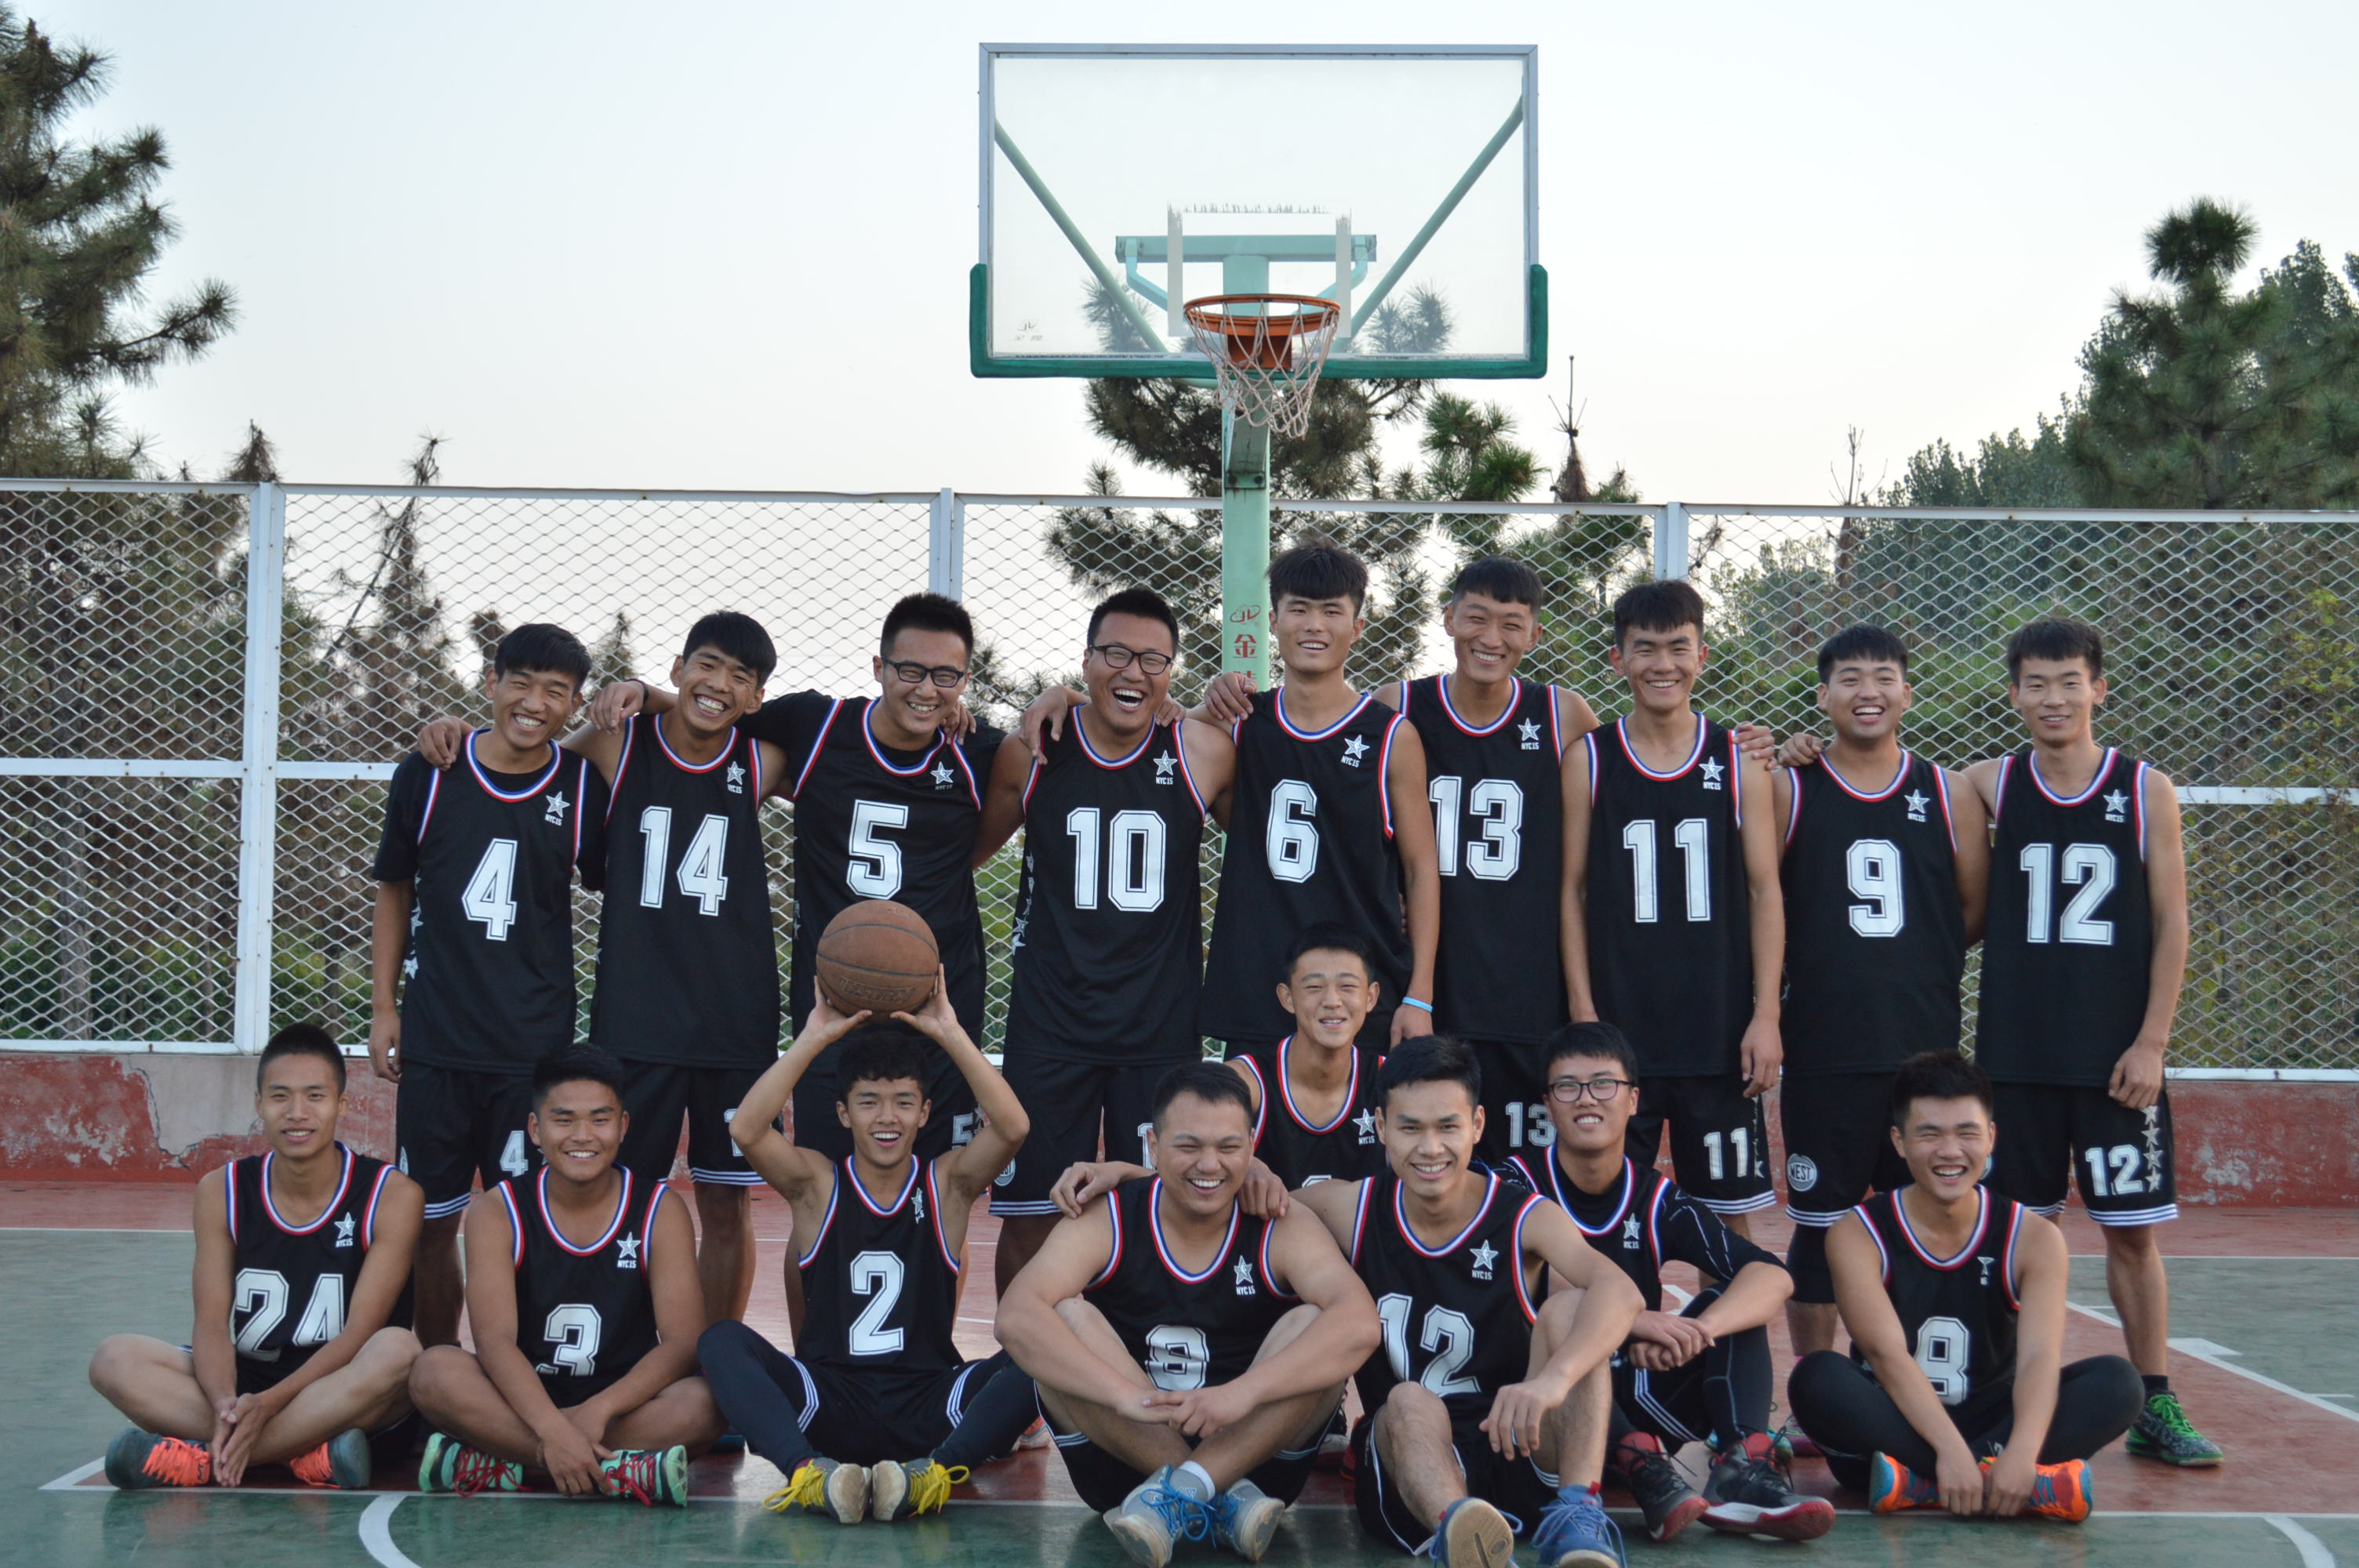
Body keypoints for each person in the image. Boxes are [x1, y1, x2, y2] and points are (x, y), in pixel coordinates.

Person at [416, 613, 789, 1329]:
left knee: (725, 1201)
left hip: (734, 1022)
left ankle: (717, 1357)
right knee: (625, 1199)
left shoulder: (762, 759)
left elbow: (848, 745)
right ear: (678, 666)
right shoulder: (618, 744)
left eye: (740, 678)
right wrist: (456, 732)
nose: (719, 685)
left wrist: (653, 692)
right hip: (636, 1019)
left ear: (756, 696)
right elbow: (525, 757)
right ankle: (621, 1348)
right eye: (706, 666)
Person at [596, 592, 1003, 1164]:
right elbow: (718, 708)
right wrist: (648, 694)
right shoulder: (817, 724)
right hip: (832, 1004)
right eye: (911, 670)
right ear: (879, 667)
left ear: (965, 680)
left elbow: (1078, 741)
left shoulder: (980, 751)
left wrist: (1063, 695)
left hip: (940, 1006)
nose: (926, 689)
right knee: (823, 1190)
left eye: (945, 676)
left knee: (943, 1188)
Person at [1965, 615, 2219, 1465]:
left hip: (2114, 1061)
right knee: (2012, 1234)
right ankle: (1997, 1396)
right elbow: (1885, 776)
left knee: (2131, 1232)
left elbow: (2172, 921)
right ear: (2012, 694)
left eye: (2068, 681)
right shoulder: (1990, 784)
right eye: (2034, 683)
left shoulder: (2144, 788)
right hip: (2015, 1059)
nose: (2052, 698)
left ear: (2098, 689)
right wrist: (1804, 752)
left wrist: (2152, 1042)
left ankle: (2154, 1397)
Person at [1035, 539, 1439, 1057]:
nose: (1314, 625)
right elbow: (1142, 723)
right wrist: (1065, 696)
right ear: (1273, 620)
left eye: (1331, 611)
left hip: (1360, 988)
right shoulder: (1238, 722)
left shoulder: (1391, 737)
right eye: (1299, 609)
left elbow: (1421, 870)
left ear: (1358, 627)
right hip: (1260, 984)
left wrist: (1420, 996)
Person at [997, 1062, 1382, 1568]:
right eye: (1189, 1146)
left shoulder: (1279, 1221)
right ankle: (1221, 1497)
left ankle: (1187, 1490)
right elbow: (1016, 1316)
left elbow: (1360, 1324)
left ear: (1252, 1146)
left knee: (1316, 1324)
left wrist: (1242, 1394)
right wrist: (1124, 1396)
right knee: (1065, 1316)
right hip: (1126, 1460)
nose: (1210, 1164)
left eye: (1228, 1147)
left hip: (1257, 1458)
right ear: (1153, 1146)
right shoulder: (1109, 1214)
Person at [696, 986, 1041, 1524]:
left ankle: (934, 1474)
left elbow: (1014, 1127)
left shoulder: (947, 1185)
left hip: (931, 1403)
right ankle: (809, 1473)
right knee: (720, 1339)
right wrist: (813, 1038)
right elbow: (746, 1129)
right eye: (868, 1102)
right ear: (843, 1113)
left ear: (925, 1112)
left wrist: (949, 1031)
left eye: (904, 1102)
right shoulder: (815, 1185)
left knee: (1043, 1350)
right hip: (828, 1401)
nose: (887, 1117)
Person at [1291, 1037, 1638, 1568]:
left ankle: (1576, 1514)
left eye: (1447, 1127)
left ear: (1477, 1125)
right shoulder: (1349, 1207)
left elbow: (1619, 1289)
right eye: (1411, 1128)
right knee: (1408, 1400)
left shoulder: (1523, 1215)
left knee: (1570, 1310)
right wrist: (1247, 1176)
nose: (1431, 1148)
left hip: (1516, 1443)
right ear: (1381, 1127)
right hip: (1411, 1468)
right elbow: (1237, 1202)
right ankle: (1461, 1537)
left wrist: (1553, 1379)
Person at [974, 587, 1234, 1292]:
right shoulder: (1032, 752)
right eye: (1116, 654)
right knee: (1031, 1213)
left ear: (1172, 671)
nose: (1133, 672)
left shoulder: (1203, 752)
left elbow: (1276, 852)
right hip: (1050, 1020)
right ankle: (1022, 1355)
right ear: (1086, 661)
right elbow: (964, 855)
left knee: (1156, 1209)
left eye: (1154, 660)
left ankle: (1137, 1350)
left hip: (1158, 1022)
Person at [372, 622, 606, 1345]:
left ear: (574, 705)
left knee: (525, 1222)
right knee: (427, 1224)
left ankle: (524, 1371)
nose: (534, 703)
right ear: (490, 683)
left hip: (530, 1049)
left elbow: (615, 881)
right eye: (520, 683)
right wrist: (383, 1007)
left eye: (555, 692)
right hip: (438, 1039)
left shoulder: (579, 786)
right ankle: (434, 1370)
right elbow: (394, 889)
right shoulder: (429, 771)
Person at [1788, 1051, 2143, 1523]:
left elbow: (2039, 1358)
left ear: (1991, 1137)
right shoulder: (1858, 1232)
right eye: (1929, 1134)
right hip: (1893, 1426)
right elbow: (1885, 1354)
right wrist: (1951, 1453)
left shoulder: (2034, 1237)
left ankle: (1921, 1487)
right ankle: (2007, 1486)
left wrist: (2021, 1452)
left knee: (2119, 1383)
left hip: (1993, 1420)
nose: (1950, 1151)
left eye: (1967, 1133)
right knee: (1817, 1377)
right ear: (1899, 1142)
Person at [1517, 1022, 1831, 1543]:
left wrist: (1698, 1331)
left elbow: (1772, 1276)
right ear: (1548, 1104)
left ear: (1633, 1099)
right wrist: (1632, 1321)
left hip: (1640, 1379)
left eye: (1603, 1084)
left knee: (1731, 1303)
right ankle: (1640, 1462)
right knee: (1564, 1315)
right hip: (1549, 1396)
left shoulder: (1657, 1198)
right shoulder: (1513, 1186)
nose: (1586, 1098)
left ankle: (1741, 1467)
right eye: (1568, 1087)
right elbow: (1517, 1299)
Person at [1772, 626, 1986, 1359]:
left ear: (1907, 693)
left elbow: (1971, 910)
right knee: (1820, 1228)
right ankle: (1817, 1389)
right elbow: (1763, 905)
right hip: (1823, 1049)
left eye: (1884, 678)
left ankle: (1900, 1380)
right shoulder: (1790, 788)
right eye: (1851, 679)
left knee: (1920, 1222)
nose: (1869, 692)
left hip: (1921, 1050)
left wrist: (1912, 959)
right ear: (1824, 695)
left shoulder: (1948, 792)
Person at [90, 1025, 422, 1490]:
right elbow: (211, 1325)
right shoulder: (221, 1190)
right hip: (250, 1382)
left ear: (342, 1105)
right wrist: (226, 1404)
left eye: (315, 1096)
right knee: (114, 1359)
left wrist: (268, 1406)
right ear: (259, 1103)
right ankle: (299, 1454)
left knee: (399, 1352)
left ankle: (208, 1460)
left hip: (342, 1382)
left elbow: (359, 1334)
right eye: (280, 1096)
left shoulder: (391, 1194)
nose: (297, 1113)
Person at [1559, 579, 1783, 1232]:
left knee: (1726, 1222)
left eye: (1678, 648)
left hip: (1717, 1030)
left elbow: (1765, 890)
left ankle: (1726, 1311)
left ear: (1702, 656)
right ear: (1618, 659)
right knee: (1605, 1218)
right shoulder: (1590, 759)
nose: (1663, 664)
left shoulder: (1738, 760)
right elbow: (1571, 890)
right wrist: (1583, 1012)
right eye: (1646, 648)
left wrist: (1766, 1013)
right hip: (1619, 1029)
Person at [408, 1044, 722, 1505]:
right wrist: (551, 1429)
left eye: (599, 1119)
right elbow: (494, 1341)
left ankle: (507, 1464)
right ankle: (617, 1471)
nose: (582, 1136)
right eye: (564, 1120)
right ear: (536, 1129)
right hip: (523, 1399)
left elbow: (681, 1342)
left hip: (621, 1404)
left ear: (623, 1126)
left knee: (707, 1403)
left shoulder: (660, 1209)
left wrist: (598, 1410)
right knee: (433, 1371)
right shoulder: (498, 1210)